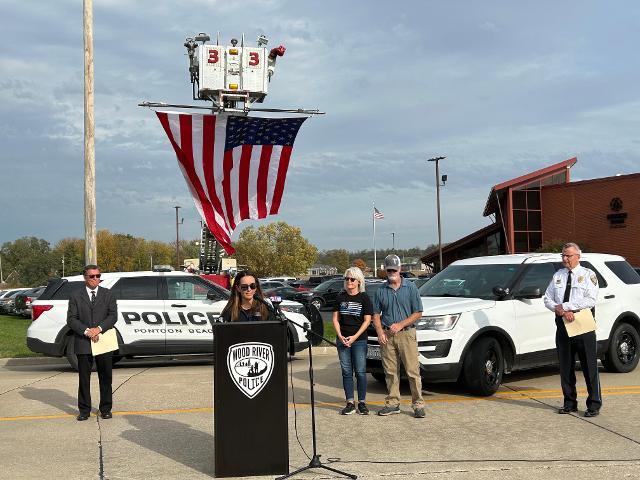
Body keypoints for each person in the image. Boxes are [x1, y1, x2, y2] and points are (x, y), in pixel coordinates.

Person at [543, 242, 601, 417]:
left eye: (568, 256)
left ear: (578, 256)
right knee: (565, 366)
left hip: (582, 323)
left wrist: (567, 307)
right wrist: (559, 309)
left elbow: (591, 299)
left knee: (589, 366)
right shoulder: (558, 276)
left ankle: (594, 404)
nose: (565, 259)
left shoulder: (588, 275)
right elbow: (547, 298)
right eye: (563, 255)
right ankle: (569, 402)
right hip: (562, 324)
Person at [372, 254, 425, 418]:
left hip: (407, 334)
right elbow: (375, 314)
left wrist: (401, 324)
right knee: (390, 371)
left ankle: (418, 404)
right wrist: (380, 332)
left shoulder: (411, 288)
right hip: (387, 335)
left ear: (400, 269)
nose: (392, 272)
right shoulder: (381, 290)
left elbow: (418, 313)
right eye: (389, 270)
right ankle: (393, 403)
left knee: (412, 371)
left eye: (394, 269)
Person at [66, 264, 117, 421]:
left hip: (103, 340)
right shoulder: (75, 296)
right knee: (84, 378)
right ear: (85, 278)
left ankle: (106, 409)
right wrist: (88, 331)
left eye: (98, 276)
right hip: (83, 341)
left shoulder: (108, 294)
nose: (96, 279)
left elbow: (113, 316)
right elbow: (71, 319)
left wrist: (98, 329)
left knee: (106, 377)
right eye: (92, 276)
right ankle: (84, 410)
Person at [332, 267, 373, 415]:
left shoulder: (364, 298)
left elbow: (367, 320)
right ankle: (350, 402)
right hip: (343, 341)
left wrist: (354, 337)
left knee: (360, 372)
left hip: (359, 341)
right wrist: (340, 336)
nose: (349, 281)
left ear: (358, 281)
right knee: (346, 372)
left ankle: (362, 402)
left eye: (352, 279)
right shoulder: (340, 297)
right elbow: (335, 319)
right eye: (347, 279)